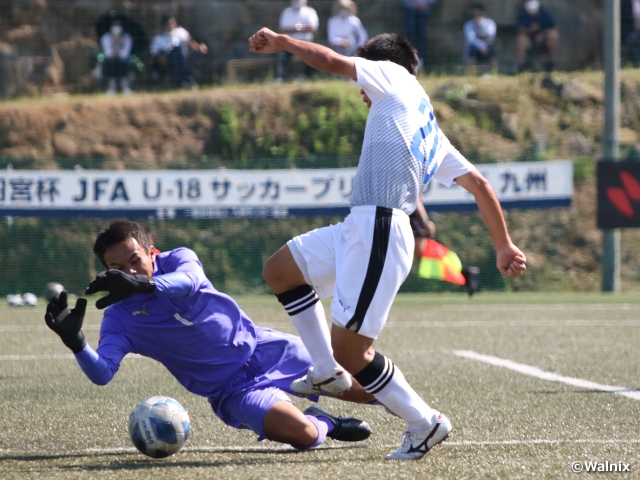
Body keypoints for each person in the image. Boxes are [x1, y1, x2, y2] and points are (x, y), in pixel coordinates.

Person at [249, 28, 526, 460]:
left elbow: (328, 60)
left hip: (379, 227)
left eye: (363, 75)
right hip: (359, 226)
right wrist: (504, 246)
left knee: (353, 350)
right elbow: (480, 184)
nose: (360, 89)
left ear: (380, 65)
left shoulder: (394, 77)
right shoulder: (424, 121)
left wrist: (283, 42)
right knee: (280, 270)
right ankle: (325, 371)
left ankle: (424, 422)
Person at [44, 221, 373, 451]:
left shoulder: (178, 259)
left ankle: (422, 422)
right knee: (302, 433)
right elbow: (102, 373)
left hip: (266, 350)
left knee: (371, 391)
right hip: (232, 392)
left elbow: (190, 281)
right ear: (105, 270)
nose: (128, 272)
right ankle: (326, 423)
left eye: (135, 261)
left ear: (152, 253)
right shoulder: (118, 318)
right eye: (118, 268)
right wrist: (76, 343)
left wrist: (146, 284)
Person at [149, 14, 208, 88]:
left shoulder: (180, 32)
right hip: (168, 60)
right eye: (169, 23)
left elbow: (190, 42)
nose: (171, 25)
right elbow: (154, 53)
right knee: (176, 51)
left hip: (183, 58)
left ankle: (183, 81)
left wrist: (199, 47)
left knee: (179, 50)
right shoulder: (159, 37)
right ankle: (182, 81)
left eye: (173, 22)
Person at [276, 0, 319, 81]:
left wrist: (295, 27)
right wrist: (303, 27)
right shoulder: (286, 12)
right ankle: (280, 78)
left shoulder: (310, 12)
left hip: (306, 43)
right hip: (289, 43)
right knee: (281, 56)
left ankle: (307, 77)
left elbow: (312, 27)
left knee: (313, 55)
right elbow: (284, 29)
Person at [516, 0, 559, 73]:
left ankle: (551, 64)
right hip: (530, 43)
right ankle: (521, 66)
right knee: (521, 38)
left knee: (554, 35)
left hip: (544, 43)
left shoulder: (545, 14)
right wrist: (530, 30)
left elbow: (555, 28)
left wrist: (543, 35)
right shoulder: (522, 15)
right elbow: (520, 30)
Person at [100, 19, 133, 96]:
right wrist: (114, 42)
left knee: (121, 62)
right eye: (115, 25)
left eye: (118, 25)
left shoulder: (127, 37)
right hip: (110, 61)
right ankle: (112, 87)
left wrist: (120, 44)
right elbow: (107, 53)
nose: (116, 28)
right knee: (113, 62)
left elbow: (126, 53)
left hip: (123, 61)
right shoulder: (106, 37)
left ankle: (125, 87)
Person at [463, 3, 498, 73]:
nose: (476, 14)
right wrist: (481, 46)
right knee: (470, 47)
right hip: (476, 46)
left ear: (483, 12)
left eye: (478, 11)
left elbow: (491, 35)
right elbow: (470, 39)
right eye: (474, 12)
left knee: (492, 47)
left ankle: (495, 72)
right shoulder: (468, 24)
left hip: (488, 45)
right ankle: (471, 72)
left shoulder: (490, 23)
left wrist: (480, 25)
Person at [403, 0, 436, 72]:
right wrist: (415, 3)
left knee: (421, 35)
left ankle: (420, 63)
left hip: (424, 9)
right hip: (410, 8)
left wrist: (425, 4)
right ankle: (406, 61)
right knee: (409, 34)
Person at [621, 0, 640, 67]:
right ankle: (637, 62)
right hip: (631, 32)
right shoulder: (624, 3)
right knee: (634, 38)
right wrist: (635, 26)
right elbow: (622, 23)